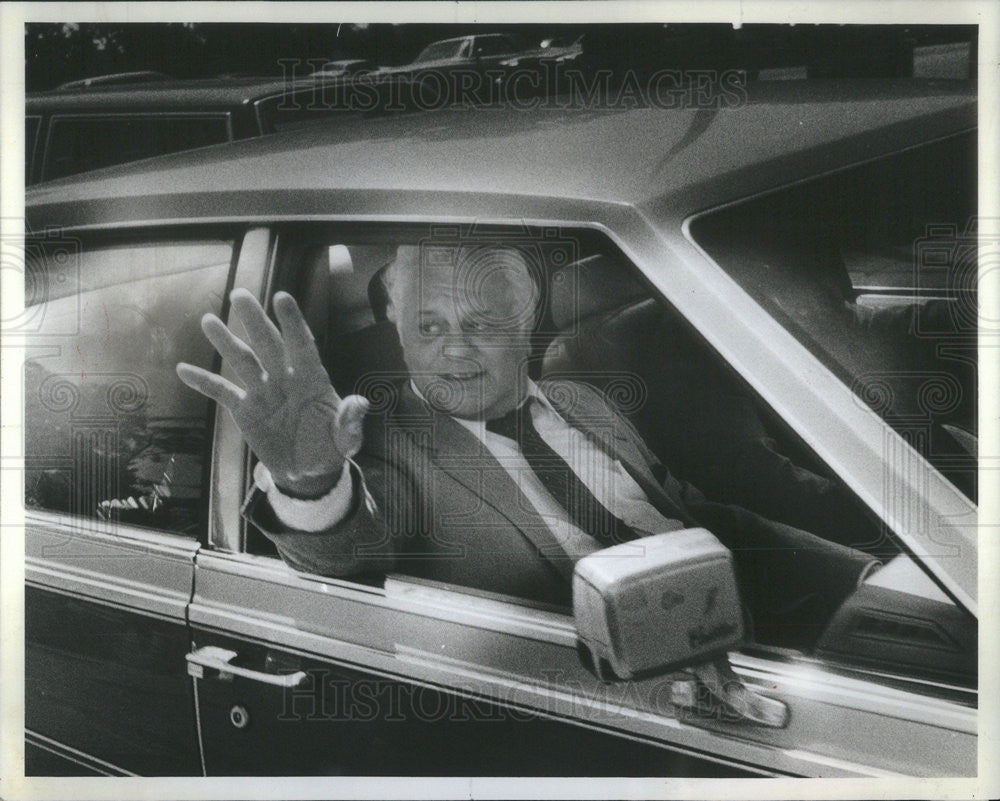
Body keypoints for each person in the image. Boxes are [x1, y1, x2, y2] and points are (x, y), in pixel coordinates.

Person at [177, 244, 878, 646]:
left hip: (740, 640)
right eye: (427, 327)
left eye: (479, 322)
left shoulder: (580, 401)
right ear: (397, 331)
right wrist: (310, 480)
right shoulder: (386, 448)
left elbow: (705, 519)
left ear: (526, 316)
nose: (453, 349)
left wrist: (864, 580)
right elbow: (348, 554)